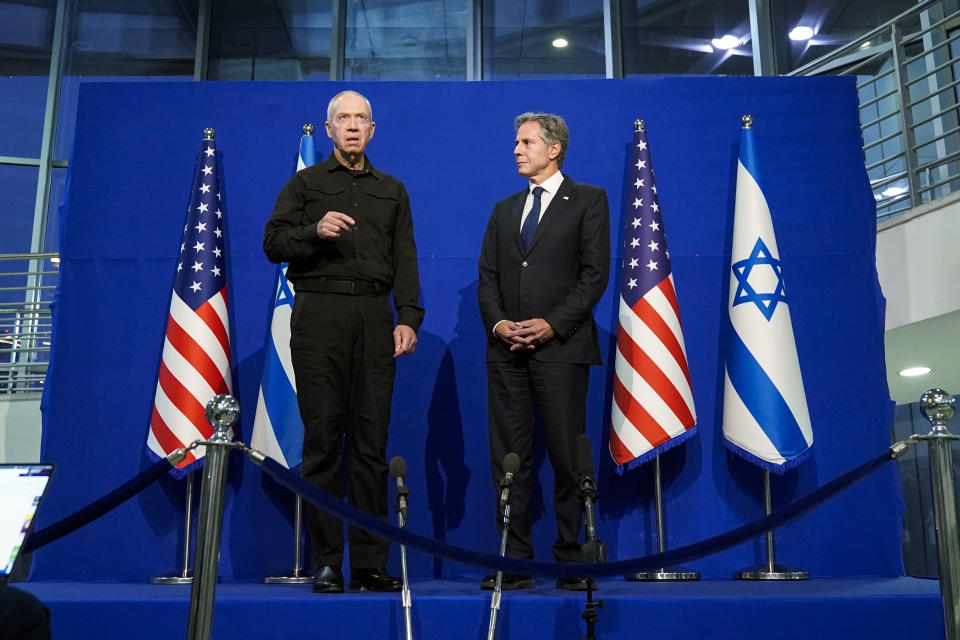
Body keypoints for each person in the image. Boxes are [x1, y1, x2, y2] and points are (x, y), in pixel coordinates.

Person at [263, 90, 423, 594]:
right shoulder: (305, 183)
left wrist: (409, 316)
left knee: (372, 444)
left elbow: (406, 257)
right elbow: (273, 243)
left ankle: (371, 562)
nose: (352, 126)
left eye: (361, 119)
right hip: (319, 315)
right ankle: (328, 561)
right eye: (343, 119)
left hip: (376, 316)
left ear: (372, 130)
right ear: (328, 129)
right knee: (324, 441)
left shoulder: (392, 189)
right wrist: (314, 229)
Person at [477, 112, 610, 591]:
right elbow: (488, 278)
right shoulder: (503, 208)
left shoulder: (589, 200)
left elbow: (594, 275)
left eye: (526, 141)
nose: (516, 149)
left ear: (554, 149)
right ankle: (515, 562)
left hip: (563, 350)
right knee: (509, 459)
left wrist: (552, 325)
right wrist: (498, 324)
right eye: (516, 142)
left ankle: (572, 558)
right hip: (507, 353)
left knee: (567, 456)